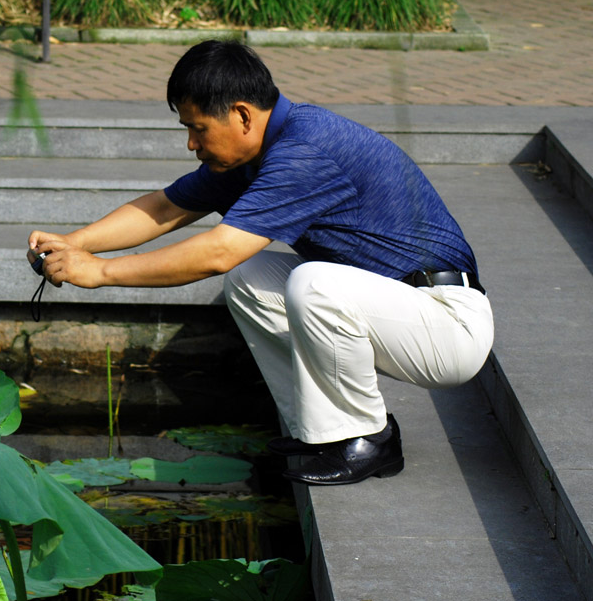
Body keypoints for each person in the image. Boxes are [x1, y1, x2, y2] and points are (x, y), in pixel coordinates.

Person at [27, 40, 494, 486]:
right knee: (251, 279)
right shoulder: (258, 151)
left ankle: (368, 441)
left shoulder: (304, 152)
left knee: (311, 283)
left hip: (446, 324)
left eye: (198, 128)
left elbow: (217, 253)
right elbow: (166, 208)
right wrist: (75, 242)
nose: (191, 143)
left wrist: (102, 272)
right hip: (399, 307)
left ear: (242, 115)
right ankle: (323, 431)